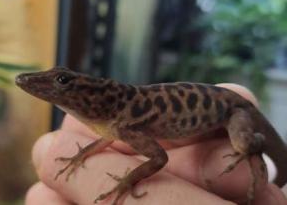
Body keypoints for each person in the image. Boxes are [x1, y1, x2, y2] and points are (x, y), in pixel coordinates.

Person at [25, 83, 287, 205]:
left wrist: (127, 181)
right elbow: (108, 137)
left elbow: (160, 159)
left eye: (63, 82)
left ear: (95, 97)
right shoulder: (117, 121)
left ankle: (257, 144)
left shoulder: (121, 119)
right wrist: (81, 155)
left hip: (234, 112)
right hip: (221, 107)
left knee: (242, 146)